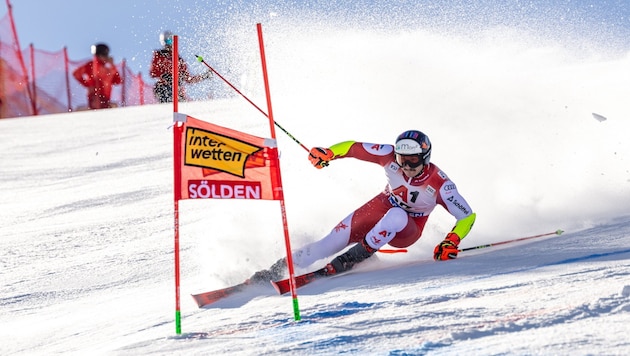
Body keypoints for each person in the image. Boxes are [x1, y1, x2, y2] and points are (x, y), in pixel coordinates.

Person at [250, 130, 476, 282]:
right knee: (328, 243)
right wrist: (330, 153)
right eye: (401, 159)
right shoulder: (387, 155)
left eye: (413, 160)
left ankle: (352, 258)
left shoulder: (440, 184)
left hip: (408, 229)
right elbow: (353, 147)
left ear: (425, 157)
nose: (405, 165)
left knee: (396, 215)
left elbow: (467, 216)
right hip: (380, 207)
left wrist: (451, 241)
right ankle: (273, 271)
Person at [149, 30, 212, 103]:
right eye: (167, 42)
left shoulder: (179, 60)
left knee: (183, 104)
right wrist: (164, 76)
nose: (169, 44)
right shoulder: (159, 55)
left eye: (170, 41)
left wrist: (204, 76)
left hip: (177, 91)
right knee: (165, 93)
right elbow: (153, 72)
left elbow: (188, 79)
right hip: (164, 88)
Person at [72, 43, 122, 110]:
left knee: (110, 108)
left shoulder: (108, 68)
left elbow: (118, 81)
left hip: (105, 97)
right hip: (94, 96)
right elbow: (76, 73)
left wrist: (112, 66)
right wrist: (87, 85)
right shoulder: (91, 65)